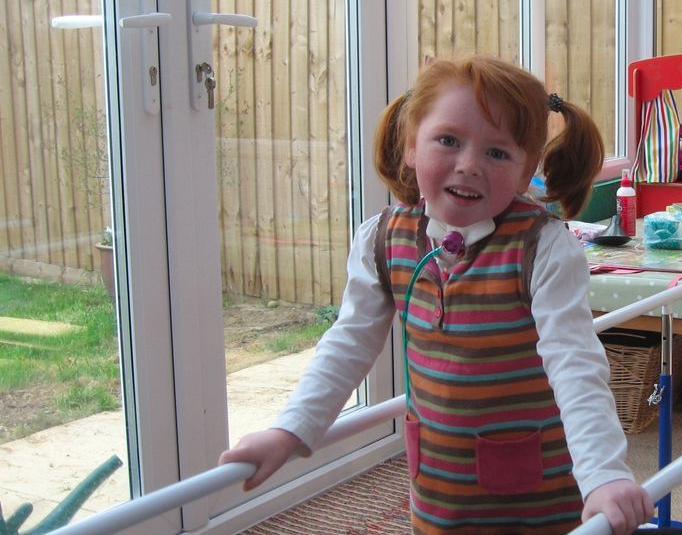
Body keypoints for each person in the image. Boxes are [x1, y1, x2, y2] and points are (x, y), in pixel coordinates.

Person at [219, 55, 653, 535]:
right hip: (438, 495)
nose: (469, 166)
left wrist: (604, 476)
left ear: (528, 167)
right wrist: (289, 432)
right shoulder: (383, 240)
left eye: (498, 153)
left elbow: (576, 366)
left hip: (538, 504)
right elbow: (349, 342)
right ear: (410, 146)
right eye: (448, 140)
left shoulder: (543, 248)